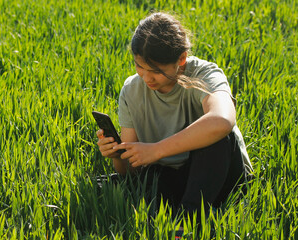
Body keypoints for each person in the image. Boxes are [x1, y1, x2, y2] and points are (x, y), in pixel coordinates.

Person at [96, 12, 253, 229]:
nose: (147, 77)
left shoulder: (204, 74)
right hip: (171, 173)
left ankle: (188, 221)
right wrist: (117, 155)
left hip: (220, 173)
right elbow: (131, 171)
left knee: (218, 138)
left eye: (156, 71)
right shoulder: (131, 90)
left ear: (181, 59)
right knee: (117, 185)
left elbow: (222, 120)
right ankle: (184, 211)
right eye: (139, 66)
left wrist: (157, 150)